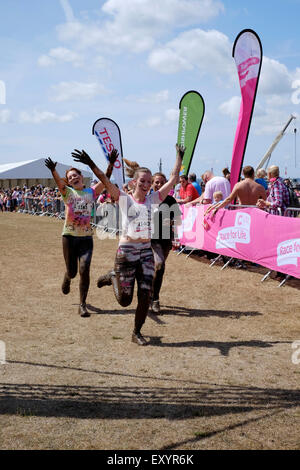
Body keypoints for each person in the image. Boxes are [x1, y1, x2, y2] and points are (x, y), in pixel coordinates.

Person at [71, 144, 185, 345]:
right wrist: (90, 163)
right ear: (135, 181)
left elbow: (174, 178)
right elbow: (105, 180)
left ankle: (136, 332)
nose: (147, 184)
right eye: (143, 180)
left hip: (145, 253)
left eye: (149, 182)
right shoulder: (124, 199)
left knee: (144, 294)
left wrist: (178, 156)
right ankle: (112, 276)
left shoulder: (155, 199)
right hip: (126, 252)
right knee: (125, 301)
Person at [44, 150, 117, 317]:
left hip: (86, 239)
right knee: (73, 272)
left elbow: (105, 178)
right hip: (69, 237)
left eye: (75, 175)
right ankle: (67, 277)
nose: (73, 178)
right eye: (70, 177)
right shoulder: (67, 193)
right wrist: (53, 170)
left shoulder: (91, 192)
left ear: (81, 177)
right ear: (68, 182)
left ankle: (82, 304)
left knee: (84, 270)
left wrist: (111, 163)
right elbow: (58, 183)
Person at [150, 172, 182, 315]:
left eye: (162, 182)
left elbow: (176, 220)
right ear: (152, 183)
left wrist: (175, 237)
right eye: (156, 182)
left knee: (158, 270)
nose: (159, 184)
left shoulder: (171, 200)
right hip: (151, 239)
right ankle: (155, 299)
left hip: (166, 239)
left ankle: (151, 294)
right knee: (159, 265)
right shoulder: (148, 199)